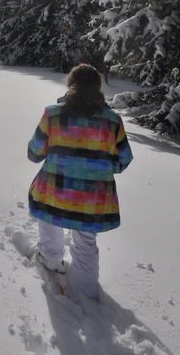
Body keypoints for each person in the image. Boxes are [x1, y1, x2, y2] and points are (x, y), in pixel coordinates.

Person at [27, 63, 133, 303]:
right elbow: (123, 160)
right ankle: (85, 289)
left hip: (54, 193)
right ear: (97, 88)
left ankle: (52, 259)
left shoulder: (52, 114)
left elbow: (34, 152)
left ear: (70, 85)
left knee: (49, 214)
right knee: (86, 239)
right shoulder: (113, 121)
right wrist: (98, 167)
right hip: (93, 199)